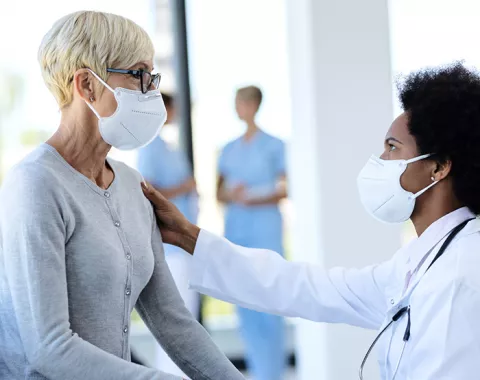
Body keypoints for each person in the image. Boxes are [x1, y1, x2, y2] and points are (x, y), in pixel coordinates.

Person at [142, 63, 480, 380]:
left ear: (438, 166)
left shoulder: (459, 273)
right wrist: (190, 237)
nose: (380, 160)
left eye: (393, 147)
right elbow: (310, 288)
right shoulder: (422, 260)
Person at [0, 11, 244, 380]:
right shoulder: (35, 184)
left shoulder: (131, 184)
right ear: (87, 85)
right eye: (139, 75)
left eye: (153, 78)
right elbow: (49, 348)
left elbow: (172, 321)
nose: (152, 93)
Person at [216, 86, 287, 380]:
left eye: (242, 102)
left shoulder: (275, 145)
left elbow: (284, 188)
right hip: (237, 231)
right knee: (243, 303)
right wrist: (233, 194)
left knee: (269, 301)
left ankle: (272, 374)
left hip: (265, 230)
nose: (238, 107)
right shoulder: (228, 149)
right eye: (236, 103)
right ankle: (256, 374)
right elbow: (219, 192)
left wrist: (254, 195)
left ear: (255, 105)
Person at [137, 93, 200, 377]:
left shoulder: (168, 147)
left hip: (185, 246)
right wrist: (185, 187)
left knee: (187, 319)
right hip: (170, 248)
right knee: (175, 321)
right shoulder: (149, 148)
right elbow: (149, 190)